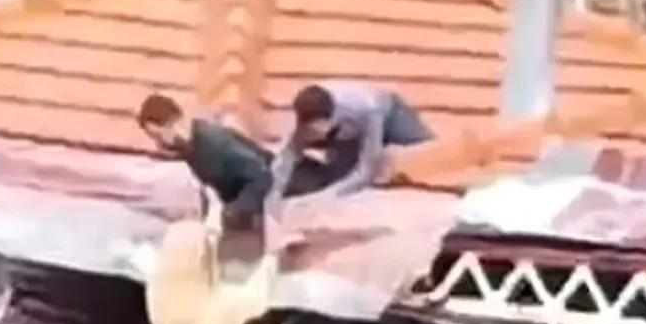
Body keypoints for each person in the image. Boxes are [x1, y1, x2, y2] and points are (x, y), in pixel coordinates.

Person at [137, 92, 273, 255]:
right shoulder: (190, 148)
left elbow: (262, 176)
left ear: (173, 123)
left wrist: (228, 214)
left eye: (158, 136)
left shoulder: (214, 143)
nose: (158, 143)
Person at [269, 83, 432, 201]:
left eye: (316, 131)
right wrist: (271, 190)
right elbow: (284, 159)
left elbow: (365, 171)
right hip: (348, 129)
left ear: (330, 119)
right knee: (339, 177)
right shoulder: (308, 114)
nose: (313, 136)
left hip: (389, 113)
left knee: (421, 160)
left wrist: (326, 198)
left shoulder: (366, 109)